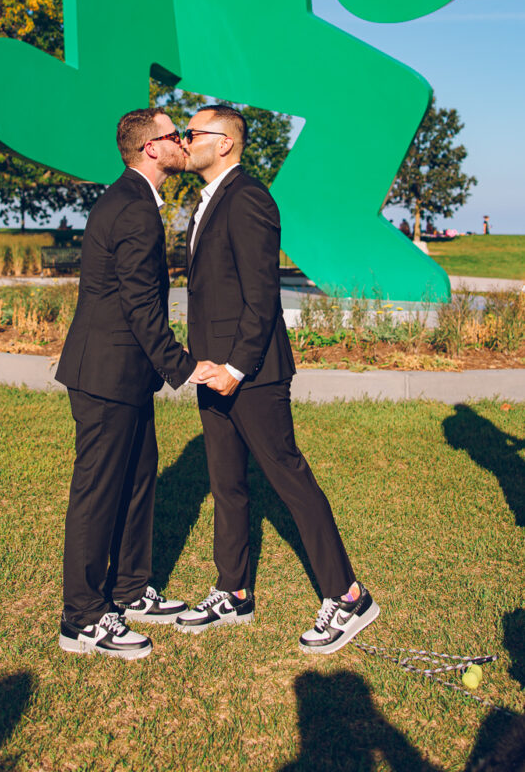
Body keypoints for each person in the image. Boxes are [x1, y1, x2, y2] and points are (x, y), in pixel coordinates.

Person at [177, 105, 379, 654]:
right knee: (227, 483)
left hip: (251, 372)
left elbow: (261, 293)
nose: (184, 139)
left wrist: (237, 369)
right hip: (211, 369)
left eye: (193, 133)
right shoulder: (210, 200)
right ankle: (234, 589)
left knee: (288, 478)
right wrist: (208, 367)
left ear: (225, 143)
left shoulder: (249, 199)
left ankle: (351, 596)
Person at [56, 107, 217, 660]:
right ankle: (81, 617)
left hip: (126, 373)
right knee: (99, 492)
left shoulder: (136, 201)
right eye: (176, 135)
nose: (184, 142)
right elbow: (141, 307)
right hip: (105, 373)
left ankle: (129, 589)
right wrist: (186, 366)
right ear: (152, 148)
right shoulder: (132, 209)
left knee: (138, 477)